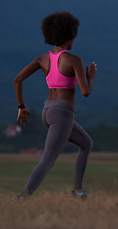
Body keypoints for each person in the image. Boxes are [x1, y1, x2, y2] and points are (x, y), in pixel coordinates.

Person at [14, 11, 97, 199]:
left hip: (48, 111)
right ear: (71, 35)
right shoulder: (74, 60)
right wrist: (90, 78)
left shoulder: (42, 59)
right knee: (48, 160)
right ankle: (22, 198)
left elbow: (18, 79)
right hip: (63, 113)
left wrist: (22, 107)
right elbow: (85, 92)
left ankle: (78, 192)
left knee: (86, 144)